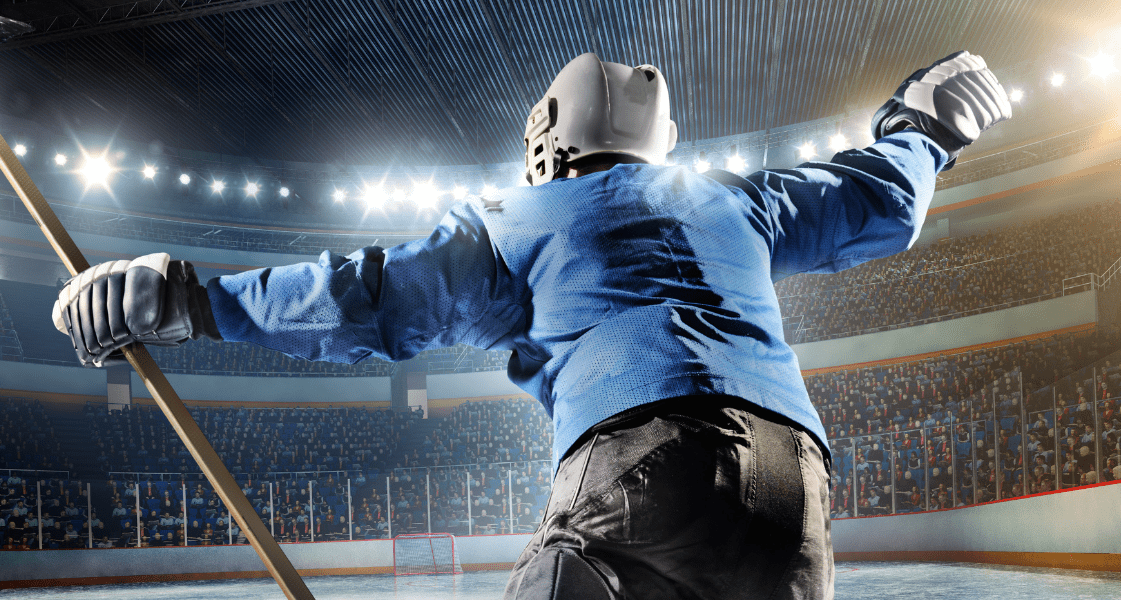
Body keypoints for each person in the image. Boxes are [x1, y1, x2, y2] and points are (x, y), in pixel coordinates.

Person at [52, 50, 1010, 599]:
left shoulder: (519, 220)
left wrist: (192, 301)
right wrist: (920, 130)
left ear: (547, 140)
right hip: (796, 487)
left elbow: (369, 298)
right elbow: (878, 199)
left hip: (642, 455)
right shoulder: (736, 201)